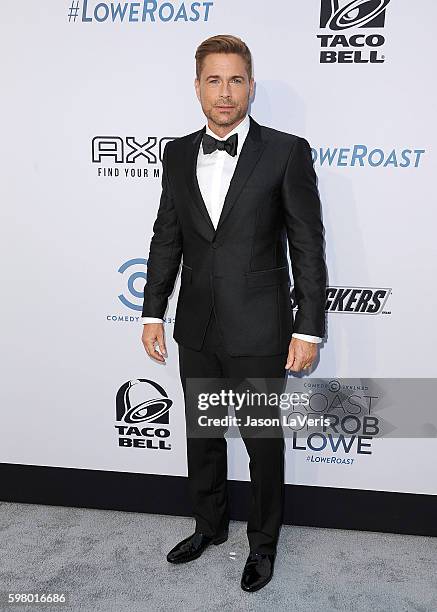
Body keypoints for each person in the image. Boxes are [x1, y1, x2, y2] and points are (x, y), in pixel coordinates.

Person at [140, 34, 327, 592]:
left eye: (236, 80)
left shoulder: (286, 151)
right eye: (214, 80)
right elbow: (166, 237)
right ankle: (210, 526)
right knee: (202, 435)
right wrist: (153, 313)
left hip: (261, 327)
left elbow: (307, 246)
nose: (225, 93)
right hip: (196, 324)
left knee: (262, 444)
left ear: (251, 85)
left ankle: (263, 544)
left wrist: (309, 325)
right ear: (197, 86)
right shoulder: (175, 152)